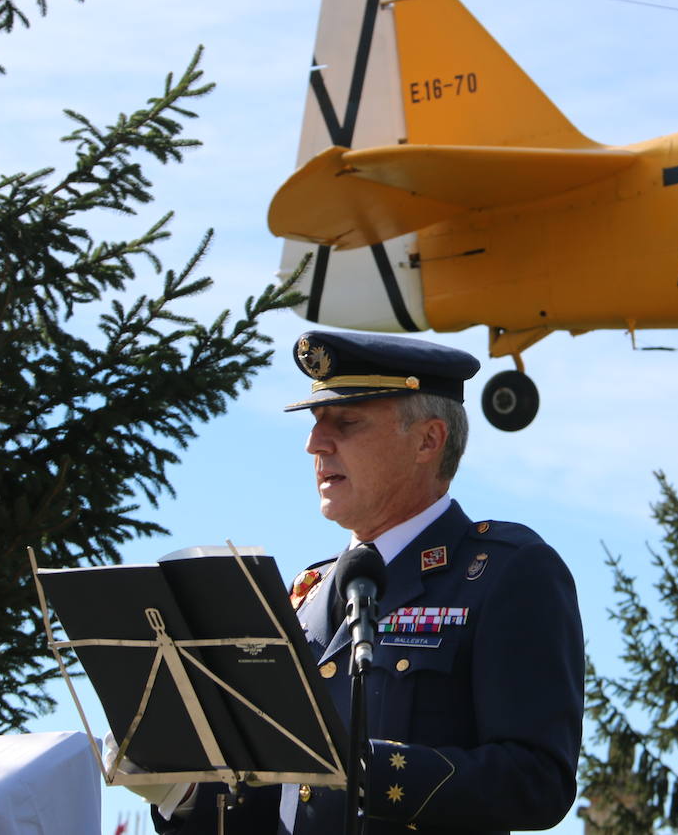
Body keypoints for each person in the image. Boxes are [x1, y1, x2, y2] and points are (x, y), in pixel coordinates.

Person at [152, 330, 586, 835]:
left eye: (346, 422)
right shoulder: (309, 590)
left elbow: (536, 780)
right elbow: (274, 799)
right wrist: (181, 794)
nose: (315, 443)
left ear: (428, 440)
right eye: (316, 423)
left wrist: (368, 771)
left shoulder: (506, 572)